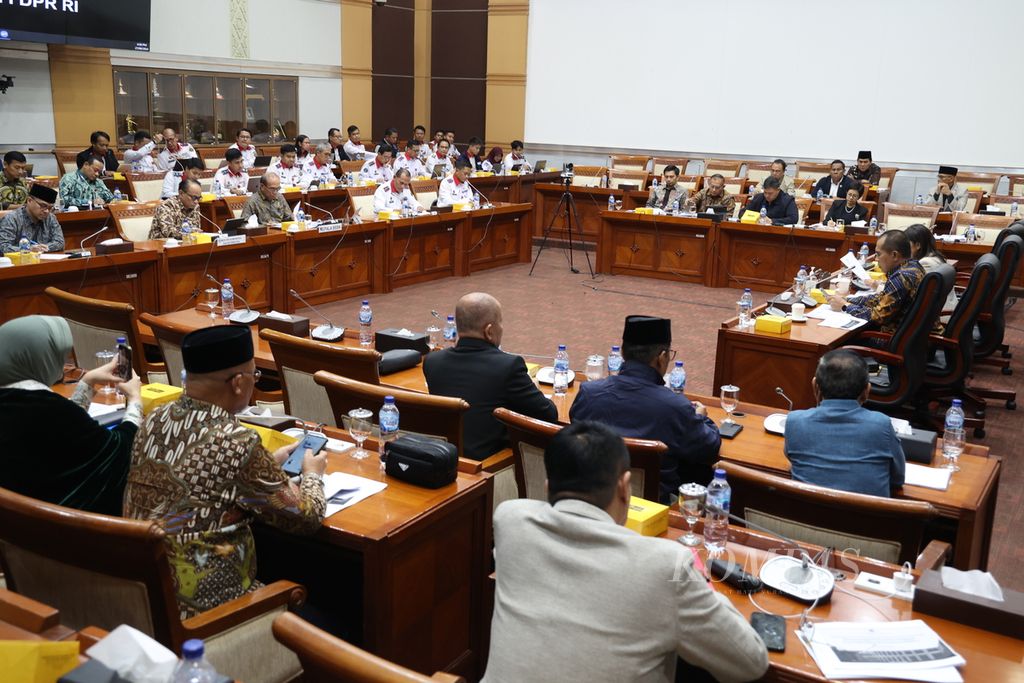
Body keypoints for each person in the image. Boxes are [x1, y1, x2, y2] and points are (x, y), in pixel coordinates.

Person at [483, 421, 769, 683]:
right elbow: (751, 662)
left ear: (548, 488)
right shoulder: (667, 565)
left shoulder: (511, 521)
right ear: (624, 487)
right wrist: (701, 584)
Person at [123, 325, 326, 619]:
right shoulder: (237, 442)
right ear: (239, 383)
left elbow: (205, 475)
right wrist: (312, 474)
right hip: (211, 615)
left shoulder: (153, 419)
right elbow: (307, 517)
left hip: (145, 598)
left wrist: (265, 461)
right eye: (255, 376)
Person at [0, 315, 143, 516]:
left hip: (16, 529)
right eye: (59, 358)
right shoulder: (48, 411)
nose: (62, 366)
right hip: (63, 535)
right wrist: (135, 399)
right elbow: (119, 452)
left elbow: (62, 434)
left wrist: (87, 382)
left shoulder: (18, 402)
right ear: (40, 359)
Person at [569, 316, 721, 501]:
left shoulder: (588, 393)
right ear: (662, 357)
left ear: (623, 353)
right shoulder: (675, 407)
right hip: (653, 511)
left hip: (595, 501)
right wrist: (701, 417)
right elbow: (709, 448)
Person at [423, 293, 557, 460]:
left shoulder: (432, 361)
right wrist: (533, 387)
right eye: (500, 323)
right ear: (489, 330)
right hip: (487, 467)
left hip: (444, 459)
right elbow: (549, 415)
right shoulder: (508, 366)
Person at [784, 350, 905, 497]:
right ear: (867, 390)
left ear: (815, 385)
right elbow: (898, 479)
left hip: (806, 517)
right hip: (865, 518)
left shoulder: (795, 422)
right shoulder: (881, 425)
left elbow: (794, 459)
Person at [829, 229, 926, 334]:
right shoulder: (914, 266)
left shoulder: (901, 277)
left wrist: (845, 305)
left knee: (838, 338)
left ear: (894, 255)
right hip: (911, 336)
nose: (876, 259)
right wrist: (848, 299)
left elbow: (878, 317)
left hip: (891, 339)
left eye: (879, 254)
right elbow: (881, 298)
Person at [905, 223, 958, 319]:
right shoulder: (935, 256)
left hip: (939, 318)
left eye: (907, 244)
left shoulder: (925, 263)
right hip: (946, 311)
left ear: (917, 245)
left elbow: (908, 293)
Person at [0, 184, 63, 253]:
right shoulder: (12, 219)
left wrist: (44, 247)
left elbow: (59, 242)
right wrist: (28, 250)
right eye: (43, 206)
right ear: (29, 201)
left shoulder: (50, 218)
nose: (46, 211)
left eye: (50, 208)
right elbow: (3, 246)